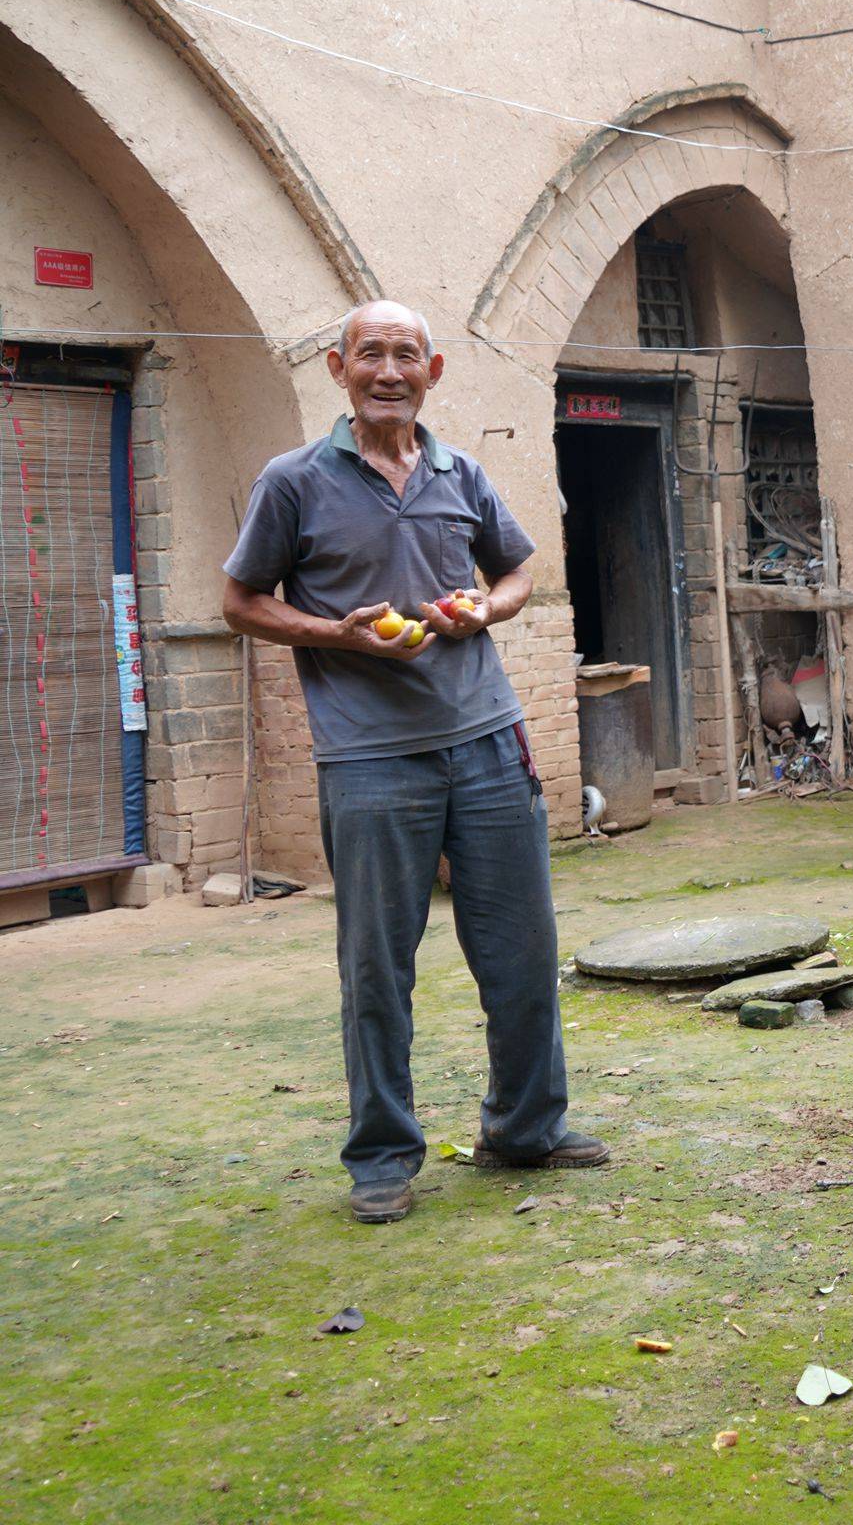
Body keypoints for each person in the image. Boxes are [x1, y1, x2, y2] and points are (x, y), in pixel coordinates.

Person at [223, 300, 607, 1224]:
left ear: (433, 373)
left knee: (521, 952)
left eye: (406, 356)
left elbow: (515, 572)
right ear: (338, 367)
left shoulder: (458, 471)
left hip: (488, 740)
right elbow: (240, 601)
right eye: (370, 354)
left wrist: (489, 609)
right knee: (376, 967)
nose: (388, 372)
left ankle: (526, 1129)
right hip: (368, 755)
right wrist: (337, 634)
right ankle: (383, 1157)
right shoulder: (293, 480)